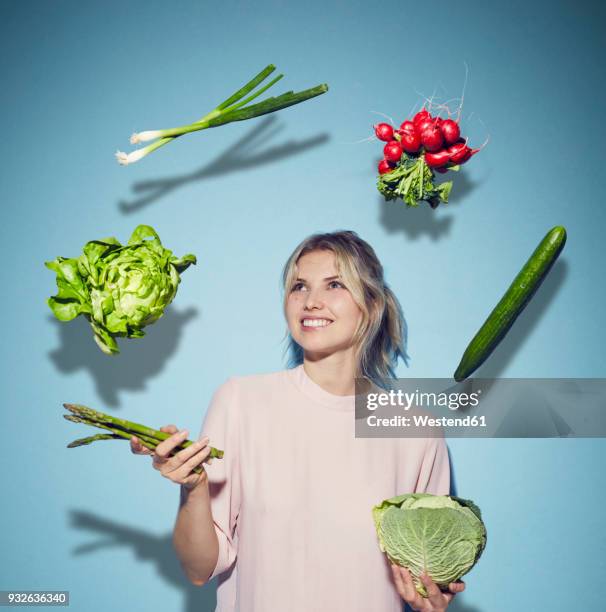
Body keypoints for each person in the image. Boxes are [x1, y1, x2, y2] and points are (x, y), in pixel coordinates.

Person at [131, 230, 466, 611]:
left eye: (335, 284)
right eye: (299, 287)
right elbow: (198, 568)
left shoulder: (417, 432)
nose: (311, 302)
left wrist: (431, 599)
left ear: (371, 305)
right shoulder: (241, 401)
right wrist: (193, 488)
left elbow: (429, 580)